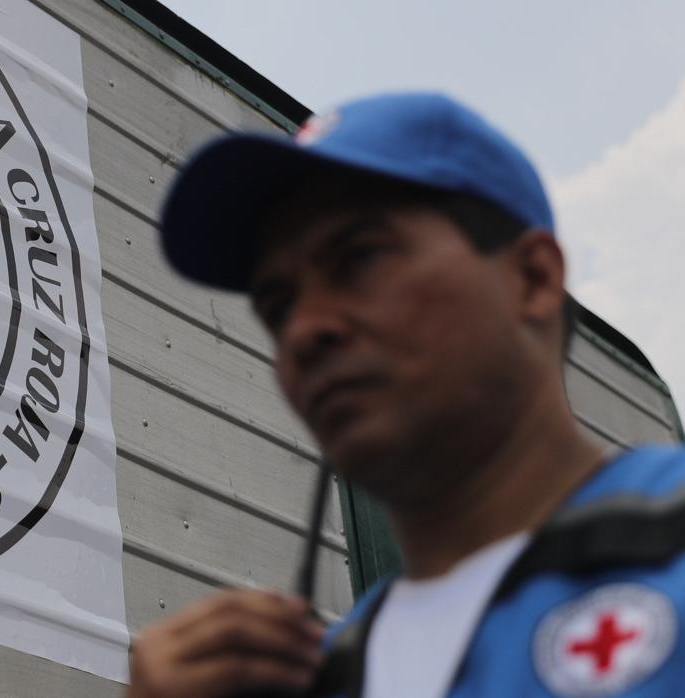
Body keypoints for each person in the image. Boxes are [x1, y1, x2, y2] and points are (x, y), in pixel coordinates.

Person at [128, 92, 685, 697]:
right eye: (277, 305)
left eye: (361, 258)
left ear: (534, 279)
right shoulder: (323, 677)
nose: (304, 329)